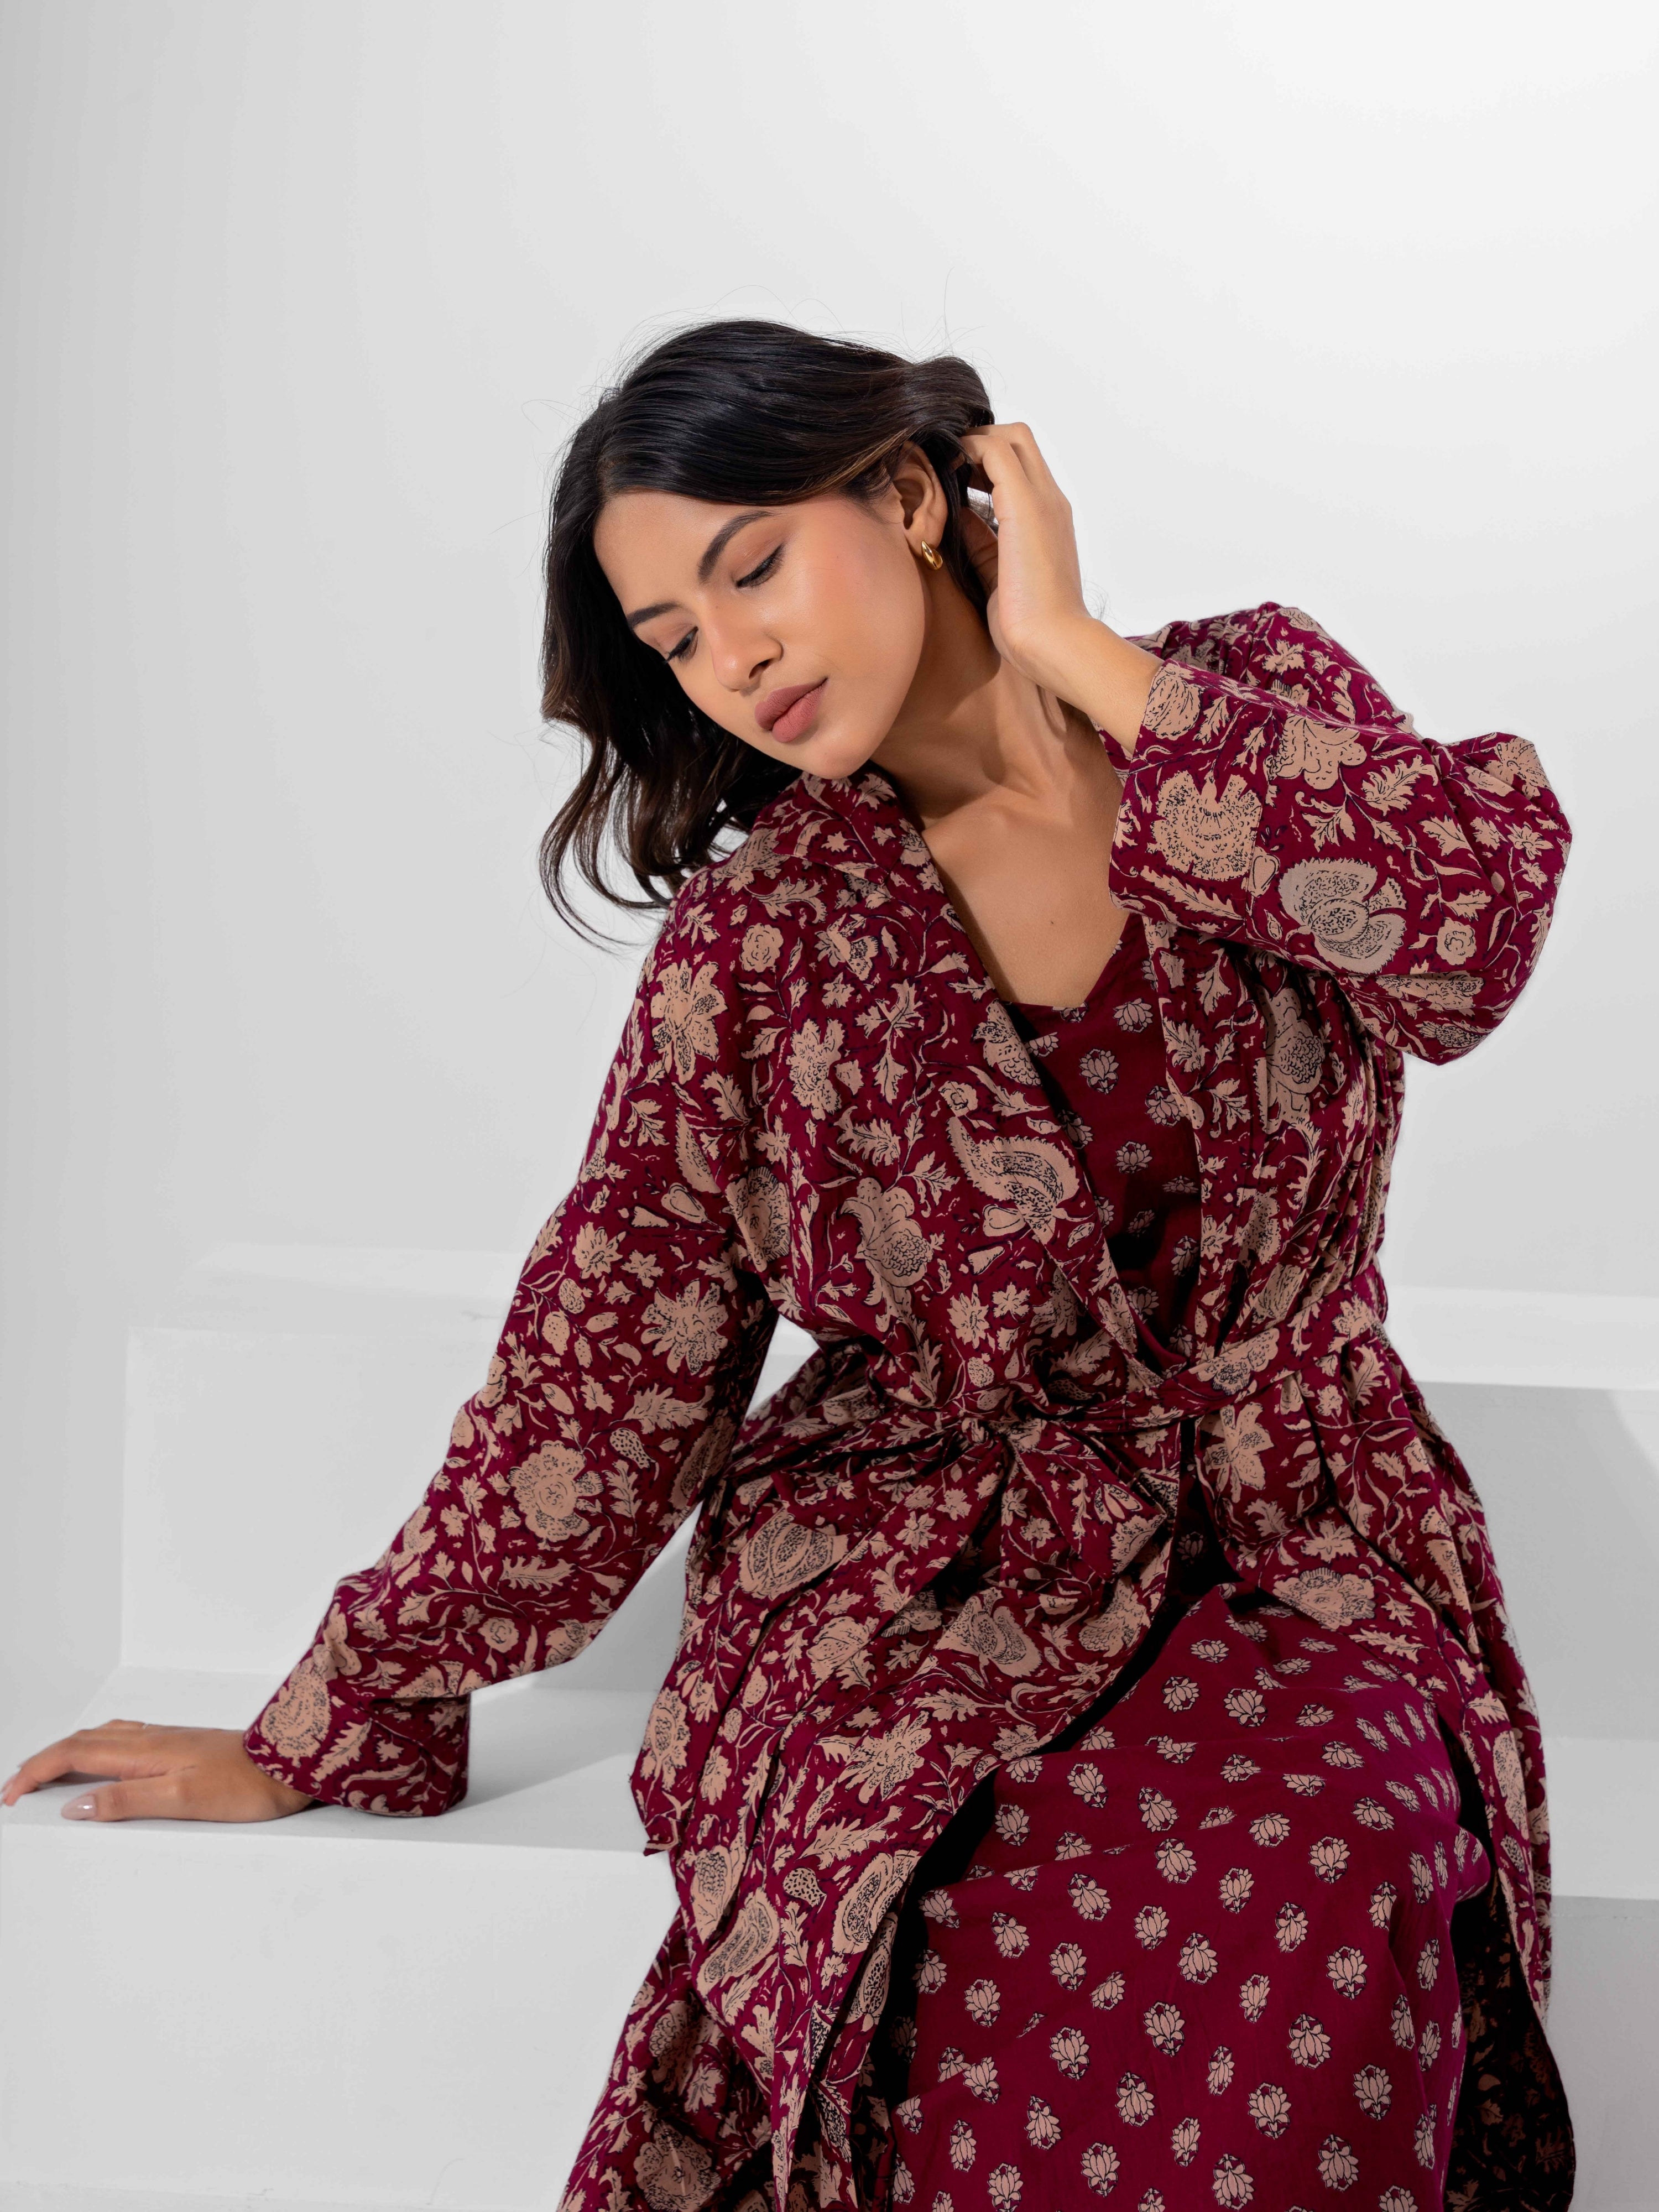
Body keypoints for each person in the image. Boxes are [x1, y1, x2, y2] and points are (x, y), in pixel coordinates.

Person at [2, 320, 1574, 2211]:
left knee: (1329, 1870)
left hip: (1298, 1531)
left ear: (907, 496)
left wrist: (1074, 648)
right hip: (923, 1577)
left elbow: (1472, 921)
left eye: (752, 567)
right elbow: (604, 1376)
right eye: (675, 637)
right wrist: (339, 1717)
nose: (734, 659)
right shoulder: (761, 947)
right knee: (947, 1918)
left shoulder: (1239, 709)